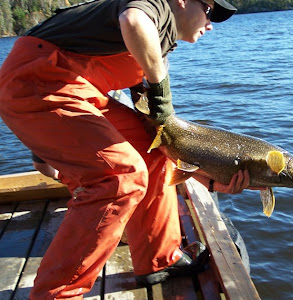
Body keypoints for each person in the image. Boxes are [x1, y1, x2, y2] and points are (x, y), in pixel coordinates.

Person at [0, 0, 248, 298]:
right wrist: (160, 92)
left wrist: (207, 179)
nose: (211, 24)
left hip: (77, 89)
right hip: (38, 80)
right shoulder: (155, 7)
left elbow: (157, 132)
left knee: (151, 148)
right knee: (120, 177)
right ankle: (57, 294)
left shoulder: (161, 44)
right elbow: (133, 20)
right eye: (210, 11)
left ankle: (159, 259)